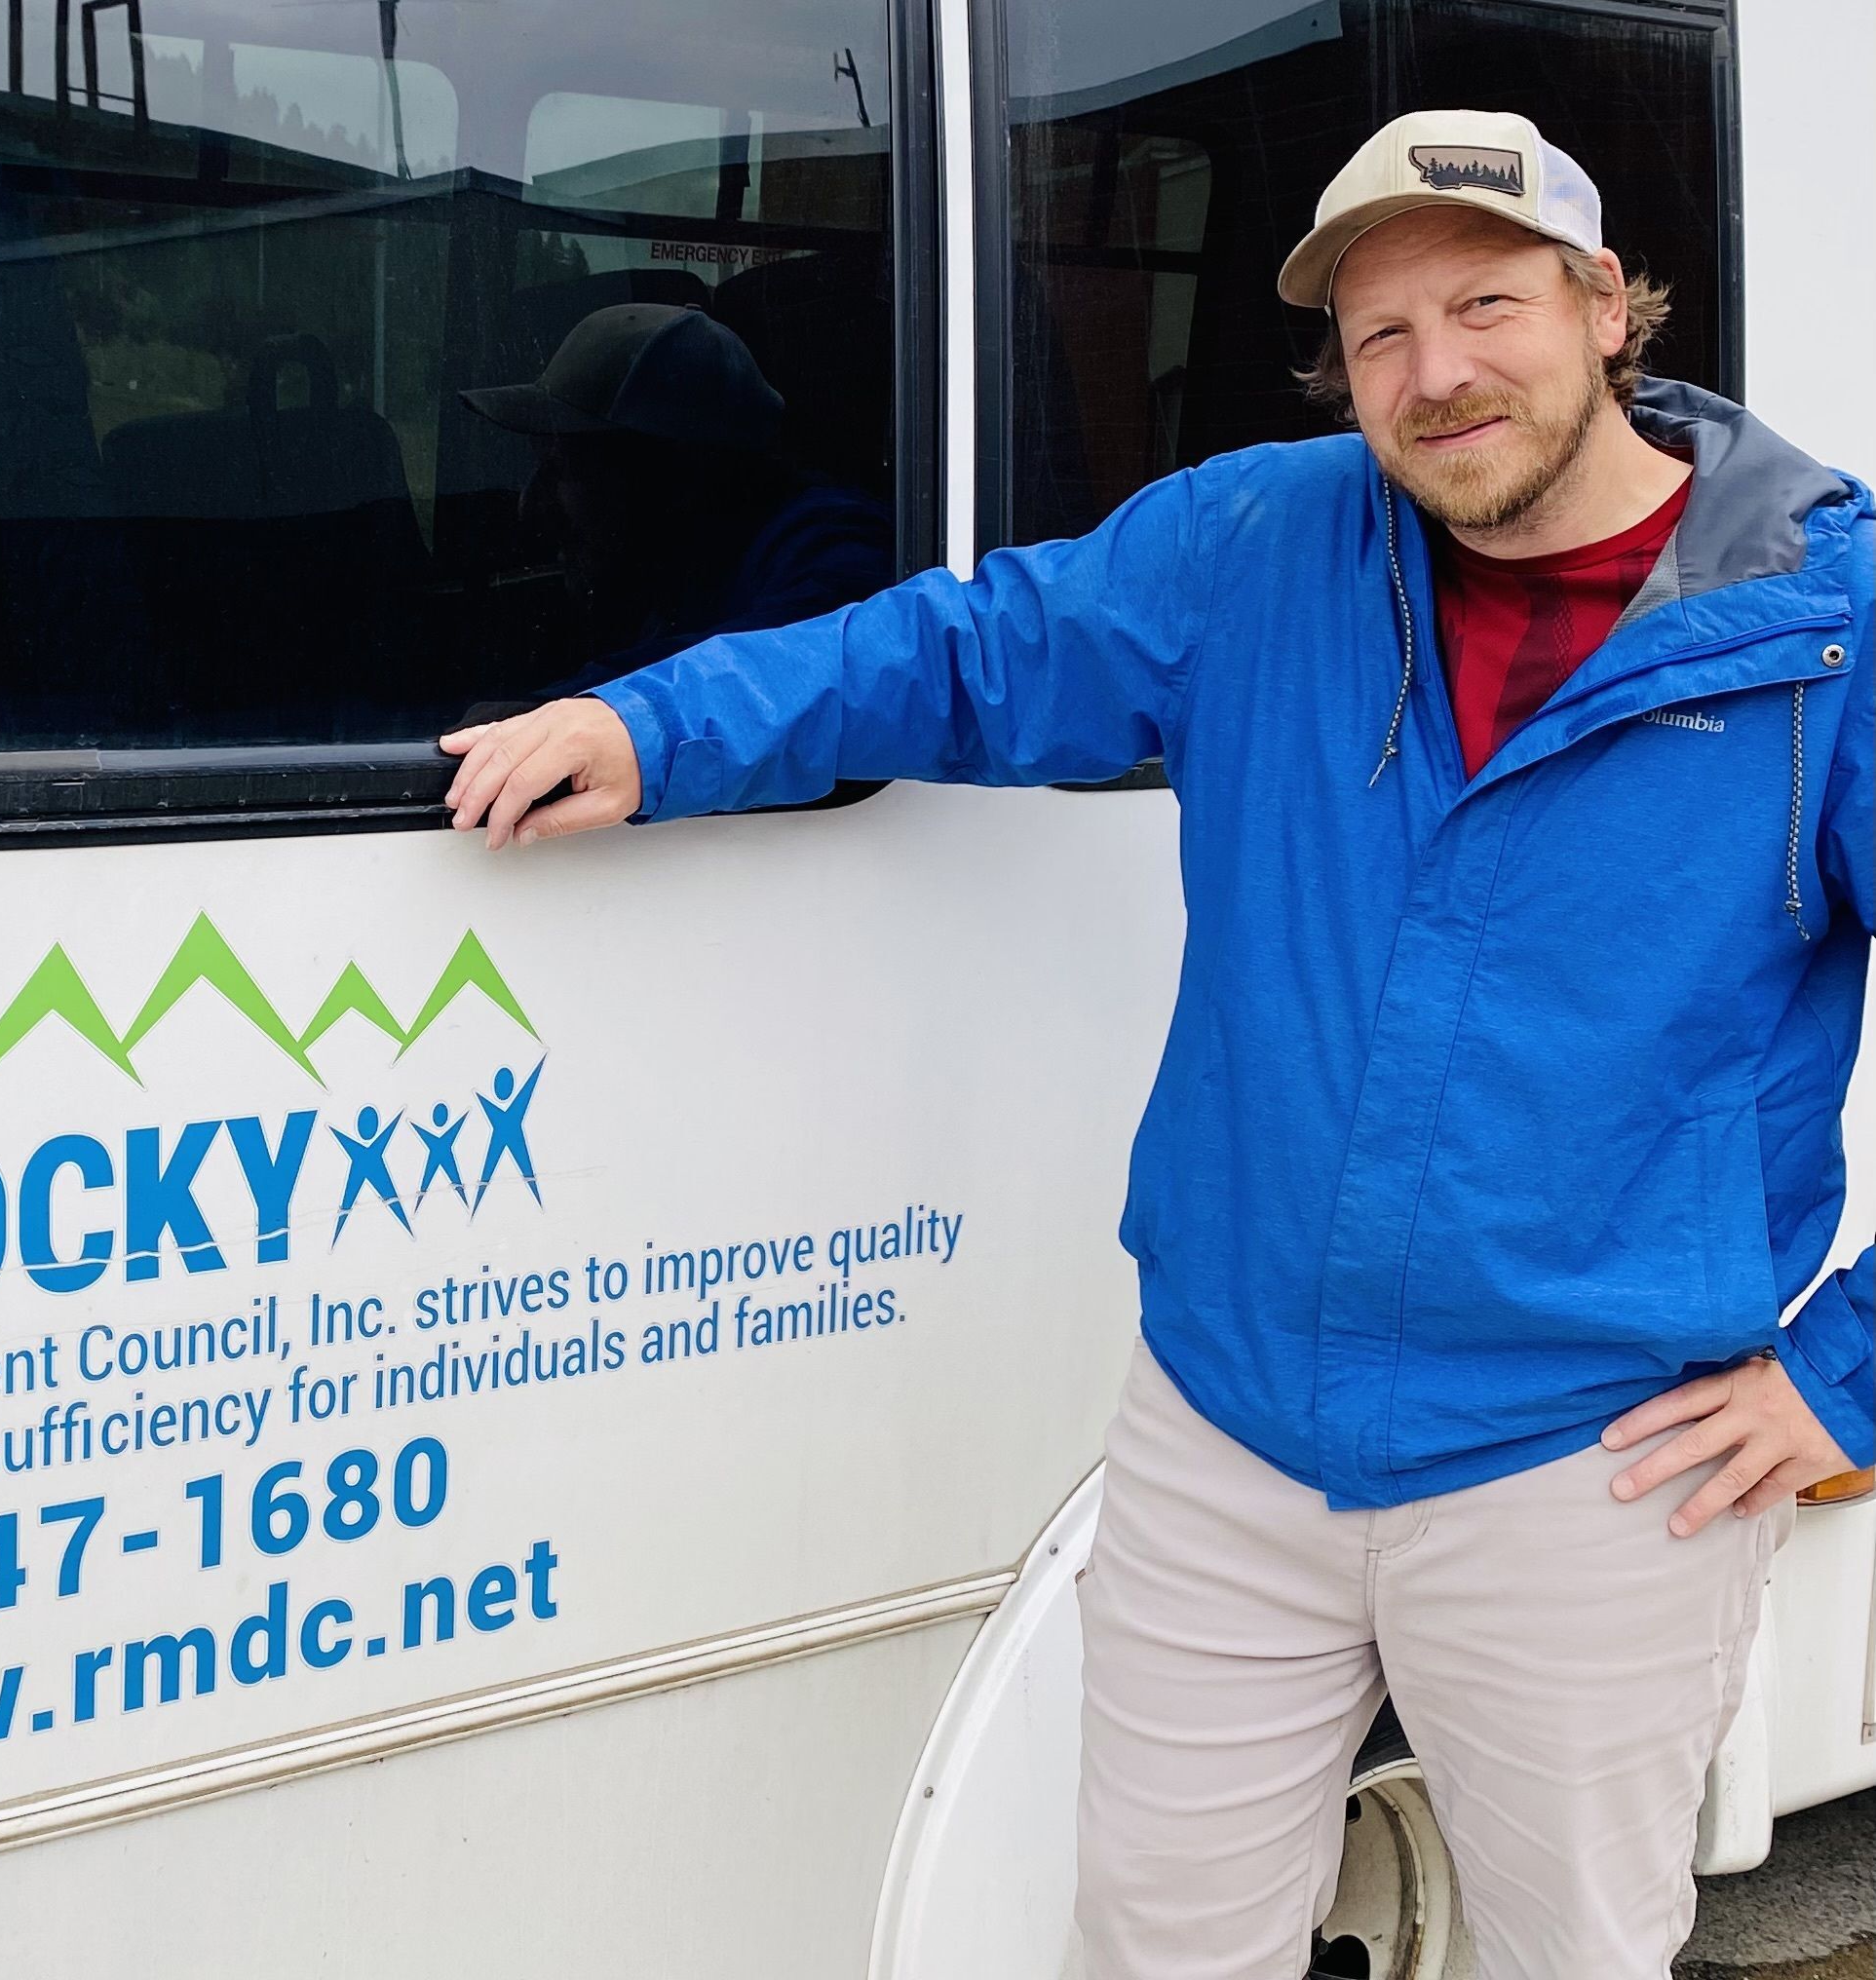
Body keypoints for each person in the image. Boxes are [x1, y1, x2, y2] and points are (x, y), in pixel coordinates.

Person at [437, 107, 1874, 1978]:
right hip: (1224, 1429)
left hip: (1583, 1467)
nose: (1433, 373)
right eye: (1377, 334)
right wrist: (655, 729)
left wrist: (1842, 1377)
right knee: (1151, 1943)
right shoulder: (1256, 543)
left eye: (1483, 304)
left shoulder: (1817, 633)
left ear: (1606, 306)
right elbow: (960, 650)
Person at [459, 302, 893, 699]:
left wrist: (557, 715)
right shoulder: (682, 563)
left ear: (675, 476)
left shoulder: (835, 552)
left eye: (565, 469)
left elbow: (782, 669)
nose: (531, 504)